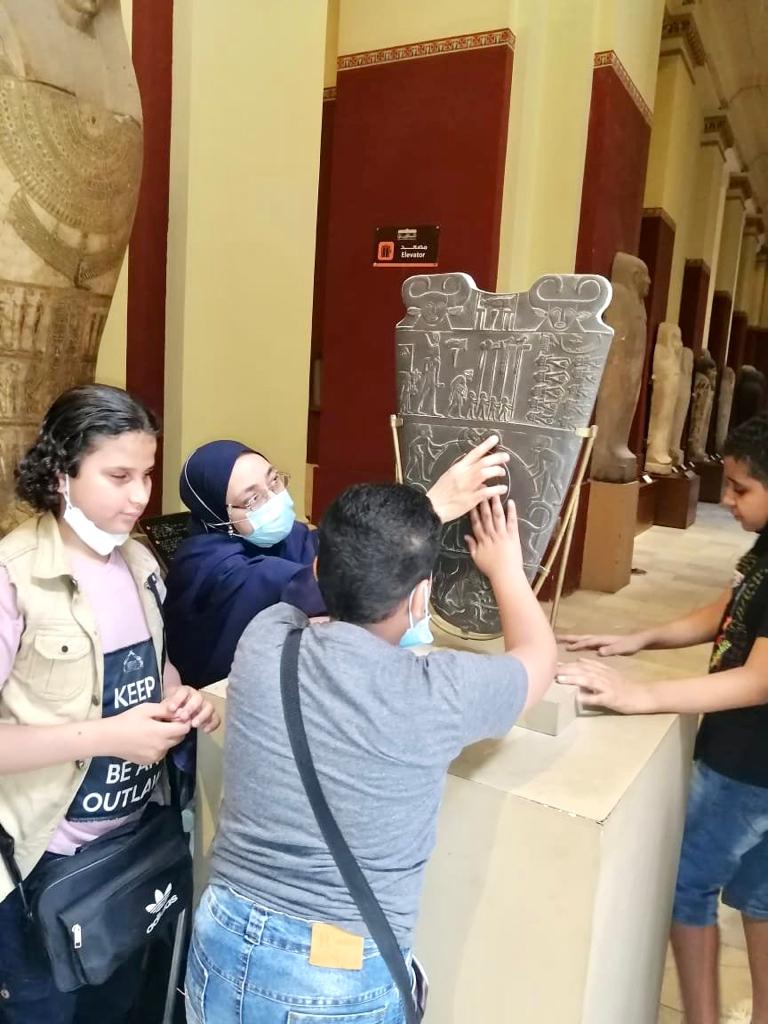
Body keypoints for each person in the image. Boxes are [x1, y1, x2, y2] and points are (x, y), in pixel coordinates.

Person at [185, 487, 557, 1023]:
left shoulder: (265, 640)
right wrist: (505, 569)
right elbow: (538, 658)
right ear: (421, 597)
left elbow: (302, 591)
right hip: (332, 977)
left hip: (221, 936)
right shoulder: (440, 692)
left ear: (320, 568)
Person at [0, 384, 220, 1024]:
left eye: (146, 475)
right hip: (37, 868)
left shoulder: (139, 561)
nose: (139, 496)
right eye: (118, 476)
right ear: (61, 473)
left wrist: (181, 697)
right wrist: (107, 736)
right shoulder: (16, 577)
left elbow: (151, 667)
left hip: (128, 852)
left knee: (118, 1007)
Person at [558, 413, 768, 1024]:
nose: (727, 500)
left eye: (741, 489)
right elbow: (732, 610)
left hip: (746, 766)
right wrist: (640, 638)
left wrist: (640, 695)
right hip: (747, 761)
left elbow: (758, 680)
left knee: (685, 887)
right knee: (759, 896)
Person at [164, 434, 511, 687]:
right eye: (252, 499)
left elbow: (338, 544)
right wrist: (428, 510)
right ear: (217, 516)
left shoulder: (287, 536)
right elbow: (313, 578)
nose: (273, 499)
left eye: (274, 481)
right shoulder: (211, 567)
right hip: (217, 713)